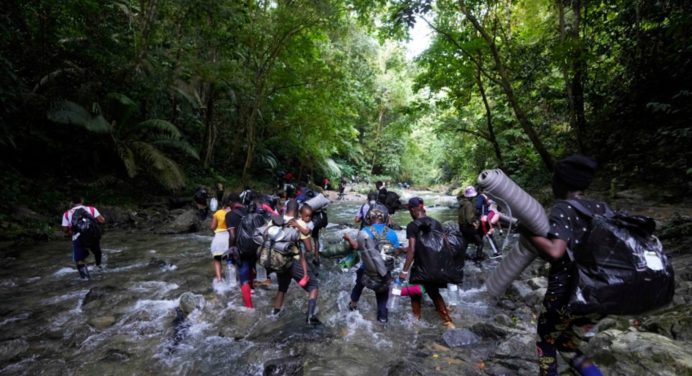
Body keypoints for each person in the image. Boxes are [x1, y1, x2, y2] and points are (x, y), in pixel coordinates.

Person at [525, 155, 605, 376]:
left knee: (546, 340)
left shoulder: (564, 207)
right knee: (567, 344)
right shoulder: (600, 207)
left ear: (562, 183)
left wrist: (526, 232)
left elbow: (555, 251)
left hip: (568, 293)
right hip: (599, 295)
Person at [399, 197, 455, 329]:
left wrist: (404, 271)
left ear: (413, 210)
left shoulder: (412, 226)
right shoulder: (436, 223)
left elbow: (412, 250)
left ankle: (416, 322)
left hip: (421, 268)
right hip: (437, 266)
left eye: (409, 210)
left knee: (414, 294)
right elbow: (437, 245)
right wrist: (401, 250)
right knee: (434, 293)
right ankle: (448, 321)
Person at [348, 204, 403, 324]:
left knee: (358, 286)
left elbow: (356, 246)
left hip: (367, 270)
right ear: (385, 218)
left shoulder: (364, 231)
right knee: (382, 298)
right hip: (384, 273)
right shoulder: (392, 233)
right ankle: (382, 320)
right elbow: (396, 252)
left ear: (369, 217)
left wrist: (348, 239)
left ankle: (353, 306)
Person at [270, 201, 320, 325]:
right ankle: (310, 317)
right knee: (313, 286)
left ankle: (274, 315)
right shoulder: (299, 223)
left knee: (282, 288)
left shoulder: (274, 220)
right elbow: (309, 248)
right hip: (294, 261)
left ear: (286, 209)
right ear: (298, 212)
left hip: (278, 259)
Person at [62, 197, 106, 279]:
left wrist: (71, 232)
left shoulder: (67, 214)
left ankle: (86, 280)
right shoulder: (91, 209)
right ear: (82, 201)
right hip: (92, 235)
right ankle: (99, 267)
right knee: (97, 252)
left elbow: (65, 229)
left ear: (72, 202)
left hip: (78, 237)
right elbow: (102, 220)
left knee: (79, 260)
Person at [458, 186, 484, 265]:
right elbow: (469, 218)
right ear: (471, 196)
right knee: (480, 243)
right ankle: (478, 260)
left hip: (462, 227)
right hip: (468, 227)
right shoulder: (469, 204)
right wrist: (475, 222)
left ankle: (462, 257)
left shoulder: (462, 203)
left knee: (465, 242)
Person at [209, 196, 232, 282]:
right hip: (230, 237)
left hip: (219, 237)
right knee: (230, 259)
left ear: (222, 204)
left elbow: (212, 227)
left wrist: (213, 230)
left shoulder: (218, 213)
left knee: (217, 259)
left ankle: (219, 278)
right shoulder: (233, 212)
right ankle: (231, 278)